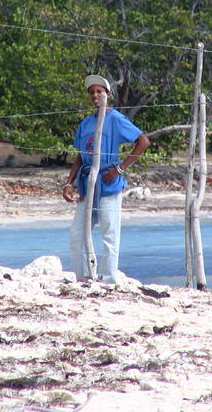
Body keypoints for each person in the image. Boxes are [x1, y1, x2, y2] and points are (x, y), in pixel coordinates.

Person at [62, 75, 150, 284]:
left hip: (108, 183)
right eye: (91, 92)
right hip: (86, 184)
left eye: (99, 91)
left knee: (109, 233)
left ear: (108, 95)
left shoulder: (116, 118)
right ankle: (83, 277)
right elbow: (80, 156)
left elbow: (143, 142)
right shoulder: (85, 124)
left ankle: (109, 279)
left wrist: (119, 169)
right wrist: (69, 183)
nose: (95, 95)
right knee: (77, 234)